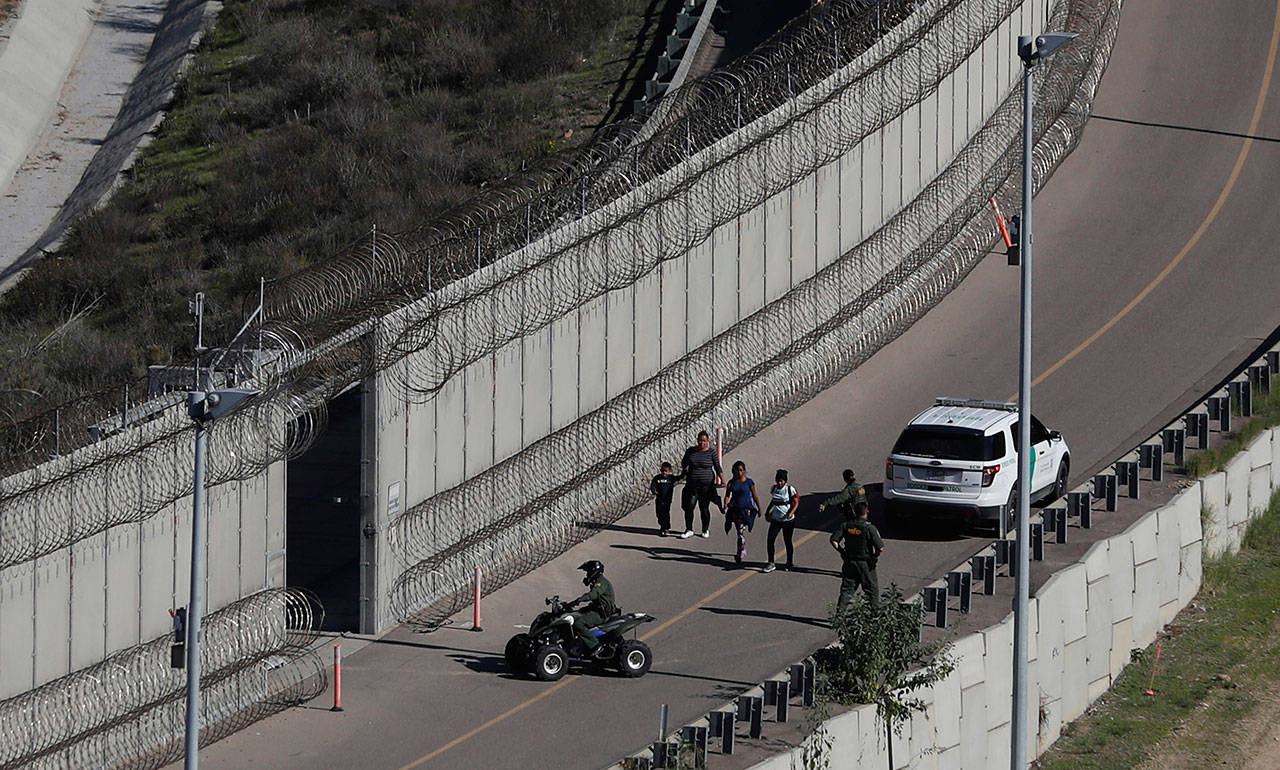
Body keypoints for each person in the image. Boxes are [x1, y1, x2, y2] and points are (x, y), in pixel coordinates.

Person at [829, 501, 884, 611]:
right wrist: (874, 556)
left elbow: (834, 540)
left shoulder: (846, 525)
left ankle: (840, 615)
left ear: (854, 512)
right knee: (871, 589)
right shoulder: (869, 528)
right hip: (865, 563)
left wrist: (842, 552)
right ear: (867, 511)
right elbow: (880, 548)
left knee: (847, 589)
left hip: (849, 561)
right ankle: (874, 615)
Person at [565, 560, 616, 657]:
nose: (587, 575)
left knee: (578, 623)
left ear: (594, 572)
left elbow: (593, 595)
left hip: (601, 614)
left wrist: (578, 600)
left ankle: (595, 645)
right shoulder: (597, 582)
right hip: (595, 609)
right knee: (575, 615)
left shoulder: (601, 582)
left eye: (588, 572)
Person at [679, 430, 724, 538]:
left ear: (707, 441)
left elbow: (717, 467)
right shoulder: (691, 451)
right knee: (689, 507)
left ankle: (705, 529)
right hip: (692, 484)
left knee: (704, 508)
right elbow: (684, 463)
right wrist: (684, 470)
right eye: (700, 441)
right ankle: (689, 529)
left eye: (704, 441)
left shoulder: (711, 453)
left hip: (706, 486)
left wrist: (722, 479)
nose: (701, 443)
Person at [722, 460, 761, 565]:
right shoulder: (731, 483)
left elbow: (755, 495)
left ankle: (741, 550)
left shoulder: (749, 482)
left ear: (744, 471)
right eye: (737, 470)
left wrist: (759, 508)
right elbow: (727, 495)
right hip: (736, 510)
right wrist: (725, 504)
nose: (739, 473)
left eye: (741, 470)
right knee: (739, 532)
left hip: (746, 510)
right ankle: (740, 552)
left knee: (741, 531)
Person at [762, 469, 800, 573]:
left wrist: (791, 512)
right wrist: (767, 511)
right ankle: (771, 563)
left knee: (787, 541)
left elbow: (796, 502)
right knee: (770, 539)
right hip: (776, 520)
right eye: (778, 480)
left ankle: (789, 562)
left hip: (787, 521)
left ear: (785, 481)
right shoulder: (774, 489)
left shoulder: (789, 489)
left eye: (781, 481)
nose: (779, 483)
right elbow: (773, 501)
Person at [649, 462, 680, 536]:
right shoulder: (657, 478)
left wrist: (685, 472)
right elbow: (653, 485)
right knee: (659, 514)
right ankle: (662, 526)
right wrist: (654, 491)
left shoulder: (671, 478)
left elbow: (679, 477)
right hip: (659, 499)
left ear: (669, 471)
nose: (664, 472)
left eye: (666, 471)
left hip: (667, 500)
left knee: (665, 514)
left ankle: (666, 528)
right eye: (662, 470)